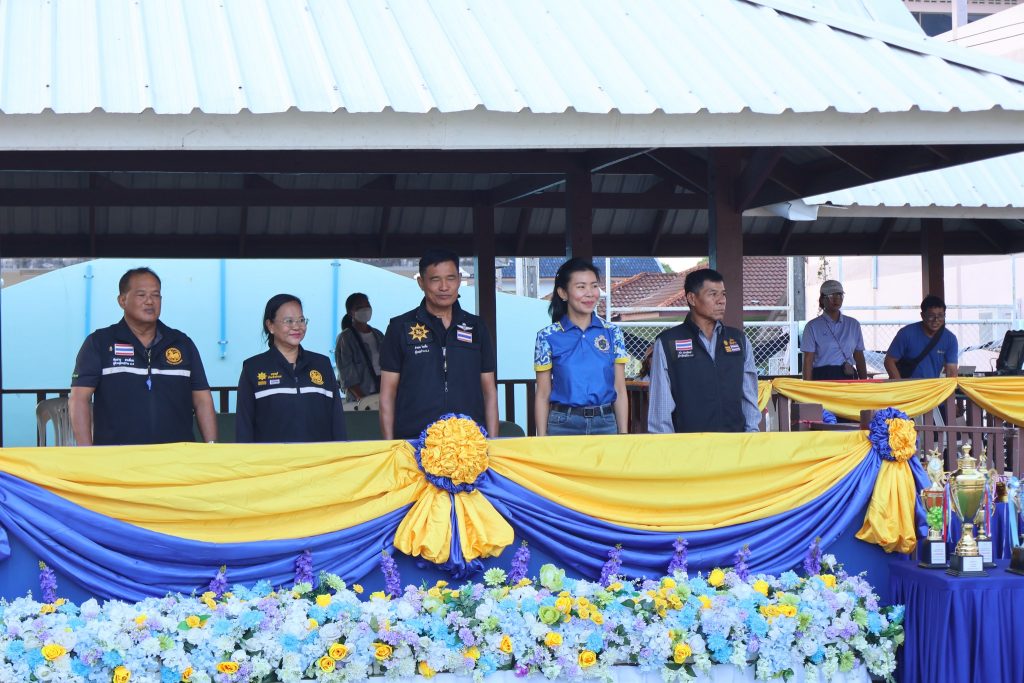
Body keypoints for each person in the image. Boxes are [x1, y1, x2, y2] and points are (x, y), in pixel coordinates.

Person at [69, 267, 217, 446]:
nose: (150, 301)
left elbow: (202, 400)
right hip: (117, 456)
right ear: (122, 300)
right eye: (141, 295)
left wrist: (211, 446)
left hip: (177, 456)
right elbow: (79, 399)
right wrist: (86, 452)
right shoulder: (100, 343)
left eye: (156, 295)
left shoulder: (181, 343)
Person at [379, 249, 499, 440]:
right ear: (421, 283)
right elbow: (387, 394)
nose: (444, 287)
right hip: (413, 440)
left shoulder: (476, 327)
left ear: (459, 280)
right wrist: (390, 446)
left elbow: (489, 391)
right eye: (435, 279)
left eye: (451, 278)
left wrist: (492, 442)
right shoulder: (400, 327)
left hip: (469, 442)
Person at [647, 268, 760, 433]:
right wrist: (666, 445)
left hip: (735, 442)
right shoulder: (668, 342)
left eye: (723, 294)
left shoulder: (739, 340)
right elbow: (660, 409)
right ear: (692, 298)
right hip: (688, 444)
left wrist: (752, 436)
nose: (721, 301)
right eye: (713, 294)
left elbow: (749, 397)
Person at [533, 259, 629, 436]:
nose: (590, 293)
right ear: (563, 293)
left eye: (594, 286)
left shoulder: (613, 333)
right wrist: (541, 438)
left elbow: (620, 389)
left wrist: (623, 434)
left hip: (606, 423)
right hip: (562, 425)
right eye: (581, 287)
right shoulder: (547, 336)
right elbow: (543, 393)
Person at [236, 294, 347, 443]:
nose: (296, 326)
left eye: (301, 320)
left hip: (319, 457)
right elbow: (244, 427)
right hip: (272, 458)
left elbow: (337, 421)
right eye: (288, 321)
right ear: (270, 325)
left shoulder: (322, 364)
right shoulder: (253, 368)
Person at [801, 280, 867, 381]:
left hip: (848, 376)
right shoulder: (812, 326)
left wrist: (864, 382)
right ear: (822, 299)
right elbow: (808, 360)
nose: (836, 299)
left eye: (840, 295)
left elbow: (859, 356)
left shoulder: (853, 324)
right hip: (822, 378)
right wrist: (807, 386)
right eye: (831, 295)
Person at [884, 295, 958, 380]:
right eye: (931, 315)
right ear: (922, 315)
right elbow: (889, 361)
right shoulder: (906, 333)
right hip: (907, 386)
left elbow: (951, 371)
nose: (936, 320)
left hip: (932, 386)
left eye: (940, 315)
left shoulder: (950, 339)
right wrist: (899, 384)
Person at [335, 293, 384, 403]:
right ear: (350, 312)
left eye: (367, 305)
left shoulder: (379, 335)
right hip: (359, 400)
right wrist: (364, 401)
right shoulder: (345, 338)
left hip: (381, 394)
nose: (365, 309)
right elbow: (347, 375)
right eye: (359, 307)